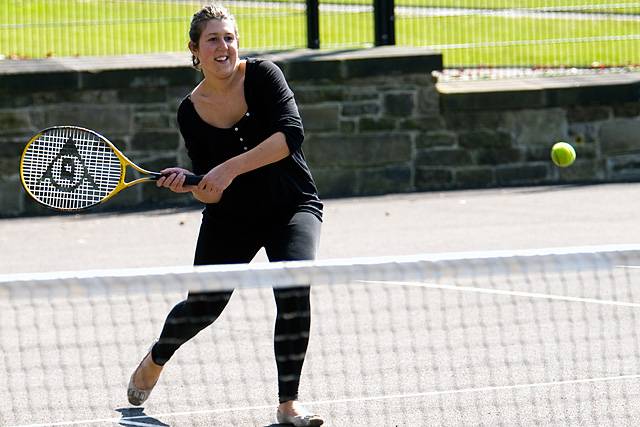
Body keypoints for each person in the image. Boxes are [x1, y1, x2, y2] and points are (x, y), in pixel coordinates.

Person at [126, 4, 324, 426]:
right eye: (212, 39)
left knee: (293, 288)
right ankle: (158, 356)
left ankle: (288, 404)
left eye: (229, 37)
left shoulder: (266, 75)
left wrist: (226, 169)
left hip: (292, 204)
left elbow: (290, 136)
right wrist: (196, 184)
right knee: (204, 307)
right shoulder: (189, 111)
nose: (223, 47)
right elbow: (211, 195)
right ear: (195, 49)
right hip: (232, 217)